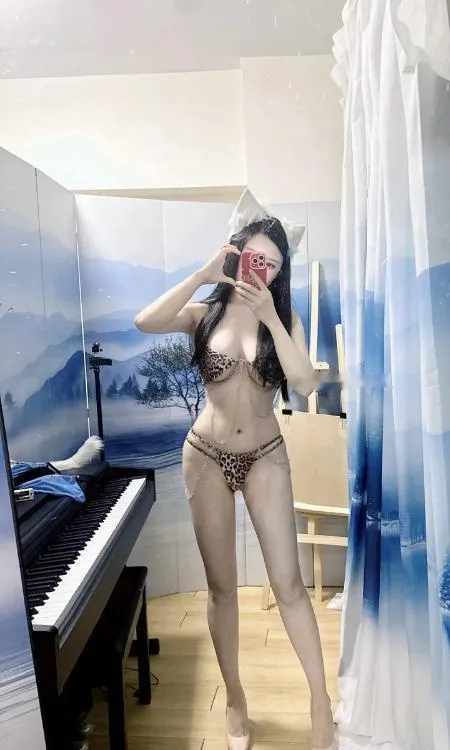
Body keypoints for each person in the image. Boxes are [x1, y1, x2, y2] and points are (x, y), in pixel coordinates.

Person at [134, 211, 337, 750]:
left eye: (272, 263)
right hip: (205, 456)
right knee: (222, 587)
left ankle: (320, 703)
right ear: (236, 253)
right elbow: (146, 321)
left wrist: (271, 317)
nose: (261, 269)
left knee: (289, 585)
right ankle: (235, 698)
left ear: (280, 270)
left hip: (266, 456)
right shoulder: (205, 314)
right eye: (254, 257)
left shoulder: (285, 319)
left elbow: (303, 382)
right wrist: (203, 274)